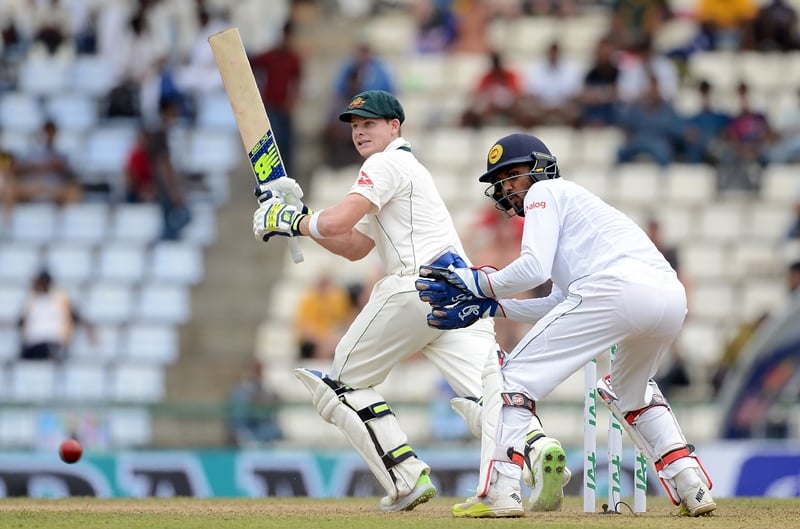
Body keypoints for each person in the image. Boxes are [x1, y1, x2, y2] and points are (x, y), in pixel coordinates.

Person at [251, 90, 568, 513]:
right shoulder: (407, 169)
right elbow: (354, 246)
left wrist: (290, 218)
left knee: (341, 386)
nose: (360, 132)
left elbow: (336, 221)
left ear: (395, 126)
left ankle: (405, 479)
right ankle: (539, 451)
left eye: (370, 124)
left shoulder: (384, 164)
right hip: (460, 294)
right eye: (355, 125)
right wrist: (302, 222)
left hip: (416, 288)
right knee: (487, 395)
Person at [414, 133, 717, 517]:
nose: (508, 187)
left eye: (515, 175)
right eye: (502, 180)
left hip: (615, 290)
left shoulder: (546, 193)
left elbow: (531, 270)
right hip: (669, 299)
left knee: (513, 378)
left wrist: (475, 282)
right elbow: (559, 300)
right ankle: (691, 483)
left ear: (540, 169)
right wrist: (491, 307)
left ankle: (501, 492)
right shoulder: (571, 214)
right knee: (630, 394)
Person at [18, 269, 95, 361]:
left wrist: (90, 331)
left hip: (53, 342)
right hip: (33, 343)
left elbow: (75, 315)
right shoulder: (31, 300)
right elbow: (21, 321)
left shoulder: (61, 298)